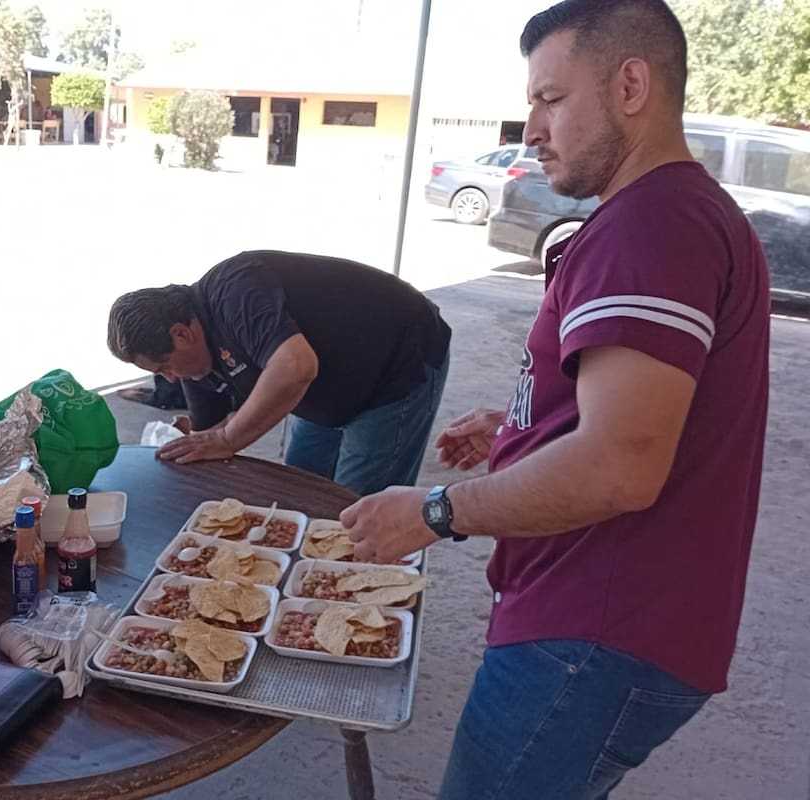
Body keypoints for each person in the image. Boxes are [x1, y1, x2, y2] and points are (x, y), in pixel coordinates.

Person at [341, 1, 770, 797]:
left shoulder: (652, 225)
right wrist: (522, 428)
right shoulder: (677, 214)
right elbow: (649, 413)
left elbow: (620, 466)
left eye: (550, 99)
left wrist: (434, 511)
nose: (530, 129)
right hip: (619, 622)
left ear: (631, 84)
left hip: (595, 628)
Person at [106, 250, 452, 495]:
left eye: (164, 366)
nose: (168, 379)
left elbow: (296, 366)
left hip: (397, 361)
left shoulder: (236, 292)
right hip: (328, 383)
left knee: (356, 507)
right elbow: (203, 443)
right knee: (297, 489)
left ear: (183, 334)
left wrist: (229, 439)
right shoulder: (196, 364)